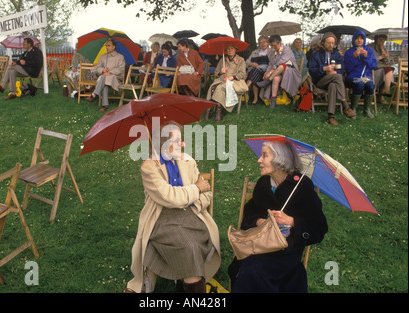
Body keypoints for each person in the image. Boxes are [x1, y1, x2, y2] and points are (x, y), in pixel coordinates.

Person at [124, 121, 221, 293]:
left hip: (191, 214)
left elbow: (207, 194)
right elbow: (169, 197)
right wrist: (195, 189)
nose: (182, 144)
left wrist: (193, 202)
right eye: (177, 141)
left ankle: (183, 285)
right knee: (188, 247)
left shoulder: (188, 161)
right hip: (162, 218)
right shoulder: (149, 167)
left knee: (193, 244)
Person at [228, 140, 328, 293]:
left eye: (264, 156)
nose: (259, 160)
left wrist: (291, 221)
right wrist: (260, 221)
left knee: (252, 271)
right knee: (244, 268)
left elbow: (318, 228)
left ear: (279, 159)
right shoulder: (263, 183)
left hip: (285, 250)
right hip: (259, 244)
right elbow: (249, 214)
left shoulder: (302, 186)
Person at [308, 32, 357, 126]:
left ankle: (331, 116)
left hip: (333, 81)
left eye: (332, 43)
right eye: (328, 43)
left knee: (333, 85)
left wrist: (335, 72)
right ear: (323, 43)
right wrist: (323, 69)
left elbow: (342, 69)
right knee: (338, 77)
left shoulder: (337, 54)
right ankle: (345, 105)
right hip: (320, 81)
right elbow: (311, 70)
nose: (331, 45)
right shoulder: (316, 54)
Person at [257, 35, 301, 108]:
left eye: (275, 46)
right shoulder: (272, 53)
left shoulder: (287, 50)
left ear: (280, 43)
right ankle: (273, 100)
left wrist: (270, 72)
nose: (273, 48)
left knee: (281, 66)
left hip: (290, 72)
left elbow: (281, 62)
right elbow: (270, 64)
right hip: (278, 73)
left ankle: (268, 81)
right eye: (272, 46)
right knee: (276, 78)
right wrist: (266, 73)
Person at [206, 45, 248, 122]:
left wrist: (232, 77)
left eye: (232, 48)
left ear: (235, 50)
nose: (230, 50)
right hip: (222, 80)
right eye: (228, 49)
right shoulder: (222, 59)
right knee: (212, 86)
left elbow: (243, 74)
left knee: (220, 88)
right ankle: (208, 109)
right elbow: (216, 73)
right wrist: (221, 72)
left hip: (235, 81)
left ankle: (218, 112)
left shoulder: (240, 60)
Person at [344, 30, 377, 119]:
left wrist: (366, 57)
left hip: (366, 77)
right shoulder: (349, 52)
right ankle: (353, 109)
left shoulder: (369, 50)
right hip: (352, 77)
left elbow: (374, 65)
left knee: (370, 85)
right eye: (357, 38)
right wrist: (354, 58)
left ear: (364, 40)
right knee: (359, 84)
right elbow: (347, 69)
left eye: (361, 39)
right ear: (353, 40)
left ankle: (367, 110)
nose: (359, 40)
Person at [86, 38, 125, 112]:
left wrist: (110, 72)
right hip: (105, 78)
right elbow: (97, 67)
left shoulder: (120, 57)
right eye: (106, 45)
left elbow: (121, 69)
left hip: (115, 77)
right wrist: (102, 70)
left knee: (104, 78)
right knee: (105, 81)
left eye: (109, 45)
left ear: (114, 47)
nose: (107, 47)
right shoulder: (103, 57)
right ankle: (105, 105)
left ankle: (94, 94)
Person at [368, 34, 394, 104]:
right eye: (380, 40)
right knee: (388, 71)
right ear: (376, 39)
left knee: (389, 70)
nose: (382, 42)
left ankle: (384, 92)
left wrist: (383, 52)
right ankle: (384, 92)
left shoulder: (384, 48)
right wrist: (381, 57)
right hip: (372, 70)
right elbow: (369, 61)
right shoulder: (370, 47)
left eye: (383, 40)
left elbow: (388, 62)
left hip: (382, 69)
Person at [245, 35, 271, 104]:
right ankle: (255, 98)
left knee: (255, 71)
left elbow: (273, 63)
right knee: (255, 72)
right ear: (259, 44)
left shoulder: (271, 51)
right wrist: (251, 64)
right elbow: (247, 61)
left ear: (268, 43)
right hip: (255, 71)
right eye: (260, 42)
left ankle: (246, 87)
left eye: (264, 42)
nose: (263, 44)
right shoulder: (255, 52)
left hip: (266, 71)